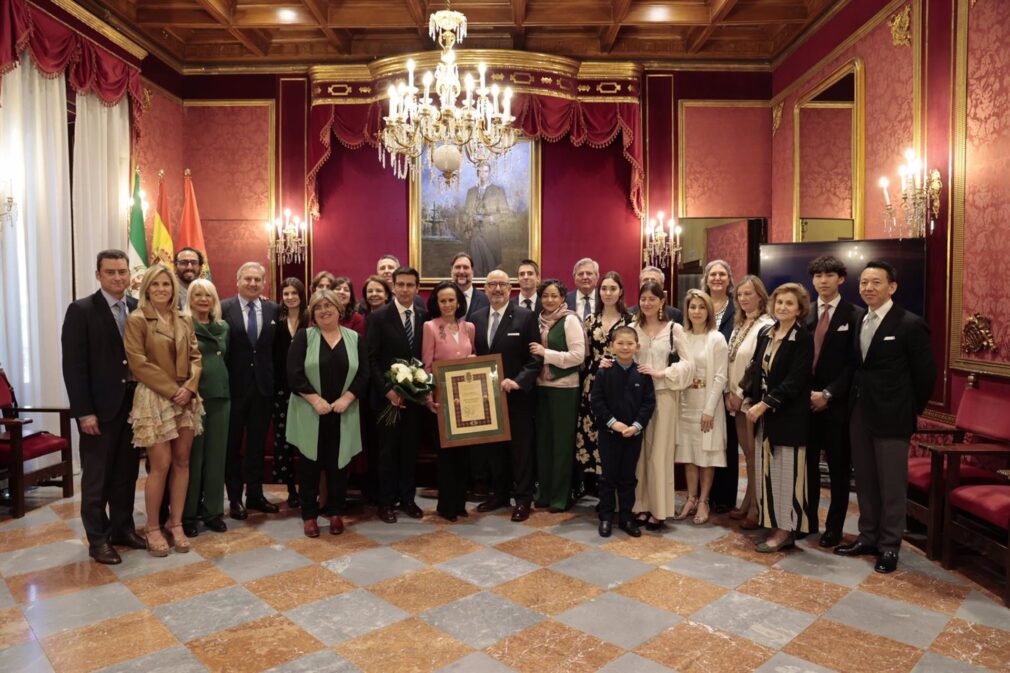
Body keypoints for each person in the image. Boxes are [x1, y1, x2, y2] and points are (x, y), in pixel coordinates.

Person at [835, 261, 936, 574]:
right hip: (860, 412)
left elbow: (925, 376)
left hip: (893, 416)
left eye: (876, 282)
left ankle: (890, 545)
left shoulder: (909, 324)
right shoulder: (859, 320)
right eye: (864, 282)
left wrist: (908, 410)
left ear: (892, 287)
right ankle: (868, 536)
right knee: (864, 480)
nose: (868, 288)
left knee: (891, 485)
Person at [61, 250, 146, 565]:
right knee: (96, 478)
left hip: (134, 407)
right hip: (99, 410)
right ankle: (98, 540)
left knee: (125, 474)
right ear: (98, 274)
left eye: (122, 272)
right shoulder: (81, 310)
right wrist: (84, 412)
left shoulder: (138, 307)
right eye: (110, 272)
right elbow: (74, 366)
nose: (118, 277)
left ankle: (122, 529)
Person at [124, 264, 203, 556]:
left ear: (173, 289)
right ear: (146, 289)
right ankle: (153, 528)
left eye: (166, 285)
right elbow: (138, 363)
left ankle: (176, 523)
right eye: (155, 285)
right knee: (161, 464)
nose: (161, 290)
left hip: (186, 397)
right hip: (156, 396)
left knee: (182, 461)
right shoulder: (137, 319)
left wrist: (191, 387)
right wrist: (173, 390)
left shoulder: (184, 318)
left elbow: (196, 356)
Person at [286, 289, 367, 538]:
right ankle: (309, 515)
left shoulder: (355, 338)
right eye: (318, 306)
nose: (324, 310)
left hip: (343, 412)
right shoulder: (304, 337)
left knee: (339, 466)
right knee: (309, 466)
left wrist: (347, 398)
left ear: (339, 309)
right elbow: (293, 373)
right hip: (310, 412)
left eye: (328, 305)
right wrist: (315, 400)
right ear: (312, 312)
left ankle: (335, 513)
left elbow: (364, 374)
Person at [744, 283, 814, 553]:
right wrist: (750, 396)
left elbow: (795, 381)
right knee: (768, 473)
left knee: (788, 475)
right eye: (779, 302)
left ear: (799, 309)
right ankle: (775, 522)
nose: (783, 307)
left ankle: (786, 530)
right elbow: (756, 370)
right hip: (765, 417)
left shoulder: (802, 338)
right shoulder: (766, 332)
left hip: (789, 417)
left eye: (789, 303)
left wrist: (764, 404)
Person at [471, 269, 543, 521]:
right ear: (485, 290)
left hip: (517, 396)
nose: (497, 289)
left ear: (510, 289)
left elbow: (535, 359)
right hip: (487, 397)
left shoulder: (525, 317)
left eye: (502, 284)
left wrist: (518, 381)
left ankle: (523, 499)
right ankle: (499, 494)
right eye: (492, 285)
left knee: (520, 450)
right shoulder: (476, 318)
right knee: (495, 448)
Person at [806, 256, 863, 548]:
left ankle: (834, 527)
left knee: (839, 470)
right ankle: (808, 521)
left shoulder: (855, 315)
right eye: (818, 276)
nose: (823, 281)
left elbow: (855, 365)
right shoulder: (804, 313)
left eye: (829, 275)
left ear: (841, 279)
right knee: (808, 467)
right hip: (804, 403)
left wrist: (828, 394)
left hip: (837, 405)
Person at [366, 266, 429, 523]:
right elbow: (369, 359)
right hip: (387, 399)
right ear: (393, 286)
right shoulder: (379, 317)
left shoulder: (424, 317)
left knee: (409, 450)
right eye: (400, 284)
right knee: (387, 452)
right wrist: (388, 391)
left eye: (409, 285)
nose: (404, 290)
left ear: (417, 288)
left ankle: (408, 499)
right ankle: (386, 502)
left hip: (414, 399)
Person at [630, 281, 694, 530]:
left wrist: (662, 372)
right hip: (636, 397)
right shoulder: (632, 327)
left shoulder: (673, 329)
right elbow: (622, 355)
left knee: (660, 453)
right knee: (639, 454)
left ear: (661, 301)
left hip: (664, 395)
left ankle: (659, 509)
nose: (647, 303)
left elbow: (689, 364)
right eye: (643, 298)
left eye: (652, 299)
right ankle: (640, 505)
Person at [221, 262, 281, 519]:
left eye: (258, 279)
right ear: (238, 281)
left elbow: (277, 350)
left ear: (264, 282)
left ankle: (255, 495)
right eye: (248, 279)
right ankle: (235, 499)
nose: (253, 283)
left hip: (263, 389)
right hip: (233, 389)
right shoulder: (223, 308)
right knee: (232, 446)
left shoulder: (273, 309)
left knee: (256, 445)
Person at [591, 326, 656, 538]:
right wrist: (613, 423)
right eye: (620, 343)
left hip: (633, 435)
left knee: (628, 477)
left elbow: (648, 403)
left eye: (630, 343)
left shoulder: (643, 374)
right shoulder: (604, 371)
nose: (625, 347)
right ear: (611, 346)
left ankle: (627, 517)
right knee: (608, 477)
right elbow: (597, 401)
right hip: (609, 434)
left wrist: (636, 426)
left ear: (637, 347)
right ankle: (607, 517)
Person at [422, 281, 477, 521]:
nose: (447, 305)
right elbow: (426, 366)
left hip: (465, 402)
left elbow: (473, 357)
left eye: (451, 300)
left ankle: (460, 503)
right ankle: (446, 506)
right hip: (441, 400)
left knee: (464, 455)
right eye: (442, 300)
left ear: (458, 302)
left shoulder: (470, 327)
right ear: (436, 303)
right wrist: (427, 398)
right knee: (446, 456)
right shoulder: (430, 327)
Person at [724, 275, 774, 528]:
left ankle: (757, 507)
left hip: (751, 398)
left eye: (749, 294)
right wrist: (728, 392)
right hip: (735, 396)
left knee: (755, 454)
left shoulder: (766, 324)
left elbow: (756, 366)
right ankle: (748, 500)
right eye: (740, 295)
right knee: (748, 454)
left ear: (760, 296)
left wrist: (740, 393)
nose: (744, 299)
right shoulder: (741, 323)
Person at [181, 279, 230, 538]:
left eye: (208, 295)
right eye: (197, 294)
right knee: (192, 458)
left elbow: (227, 358)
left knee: (215, 457)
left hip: (221, 396)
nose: (203, 299)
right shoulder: (183, 324)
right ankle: (188, 514)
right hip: (193, 397)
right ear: (189, 298)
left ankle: (213, 512)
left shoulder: (223, 327)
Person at [531, 279, 585, 512]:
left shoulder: (569, 319)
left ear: (563, 298)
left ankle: (560, 497)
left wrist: (546, 354)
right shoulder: (537, 320)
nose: (550, 300)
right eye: (545, 296)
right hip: (540, 388)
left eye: (555, 295)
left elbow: (578, 356)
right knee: (543, 443)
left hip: (564, 388)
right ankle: (543, 493)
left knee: (562, 444)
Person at [675, 289, 728, 525]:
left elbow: (720, 377)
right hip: (686, 402)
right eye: (692, 307)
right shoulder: (682, 336)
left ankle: (704, 501)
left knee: (706, 455)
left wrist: (709, 409)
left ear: (708, 311)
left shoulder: (716, 338)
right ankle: (691, 498)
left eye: (701, 307)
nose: (696, 311)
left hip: (708, 403)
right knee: (689, 454)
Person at [576, 271, 632, 487]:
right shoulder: (591, 320)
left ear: (620, 292)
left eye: (613, 289)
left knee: (616, 431)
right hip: (594, 381)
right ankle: (597, 485)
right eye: (604, 289)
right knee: (594, 431)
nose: (608, 293)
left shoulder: (630, 320)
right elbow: (584, 354)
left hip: (621, 382)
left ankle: (617, 486)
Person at [702, 259, 739, 514]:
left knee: (727, 439)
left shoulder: (737, 308)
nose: (717, 278)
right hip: (701, 382)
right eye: (712, 274)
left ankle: (724, 497)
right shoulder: (698, 303)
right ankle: (704, 494)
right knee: (705, 438)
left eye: (721, 274)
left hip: (727, 380)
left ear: (729, 279)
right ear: (706, 278)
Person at [272, 278, 308, 508]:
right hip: (281, 388)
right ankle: (290, 489)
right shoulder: (276, 318)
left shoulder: (310, 318)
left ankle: (307, 488)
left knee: (304, 441)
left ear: (301, 294)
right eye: (286, 293)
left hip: (306, 387)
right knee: (284, 440)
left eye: (294, 293)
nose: (290, 297)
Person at [462, 162, 508, 275]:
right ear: (477, 173)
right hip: (474, 234)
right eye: (480, 171)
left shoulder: (498, 191)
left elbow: (505, 214)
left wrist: (487, 219)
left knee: (491, 269)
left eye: (486, 171)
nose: (483, 174)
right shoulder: (471, 191)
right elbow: (465, 214)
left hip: (490, 235)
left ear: (489, 173)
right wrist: (467, 228)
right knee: (475, 267)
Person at [450, 252, 490, 319]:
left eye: (465, 267)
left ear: (472, 272)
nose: (461, 271)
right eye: (457, 267)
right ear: (451, 271)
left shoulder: (486, 299)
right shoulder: (441, 298)